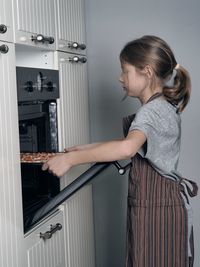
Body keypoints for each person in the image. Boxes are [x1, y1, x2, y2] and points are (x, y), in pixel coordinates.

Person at [42, 35, 198, 267]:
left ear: (146, 71)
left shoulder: (151, 111)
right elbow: (139, 144)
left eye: (125, 70)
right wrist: (87, 148)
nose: (120, 77)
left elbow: (127, 148)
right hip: (162, 205)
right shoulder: (163, 105)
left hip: (157, 209)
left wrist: (72, 159)